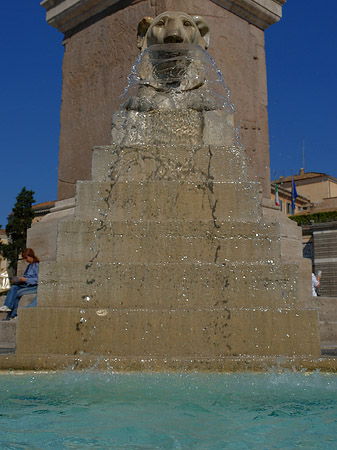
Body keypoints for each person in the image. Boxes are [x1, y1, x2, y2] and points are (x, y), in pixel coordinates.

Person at [0, 248, 39, 320]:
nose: (25, 260)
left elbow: (38, 279)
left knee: (18, 293)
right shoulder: (29, 266)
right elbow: (25, 276)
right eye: (24, 258)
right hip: (26, 285)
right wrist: (19, 279)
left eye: (26, 258)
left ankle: (14, 314)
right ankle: (7, 306)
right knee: (14, 288)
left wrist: (26, 280)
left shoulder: (37, 266)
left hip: (34, 286)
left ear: (31, 256)